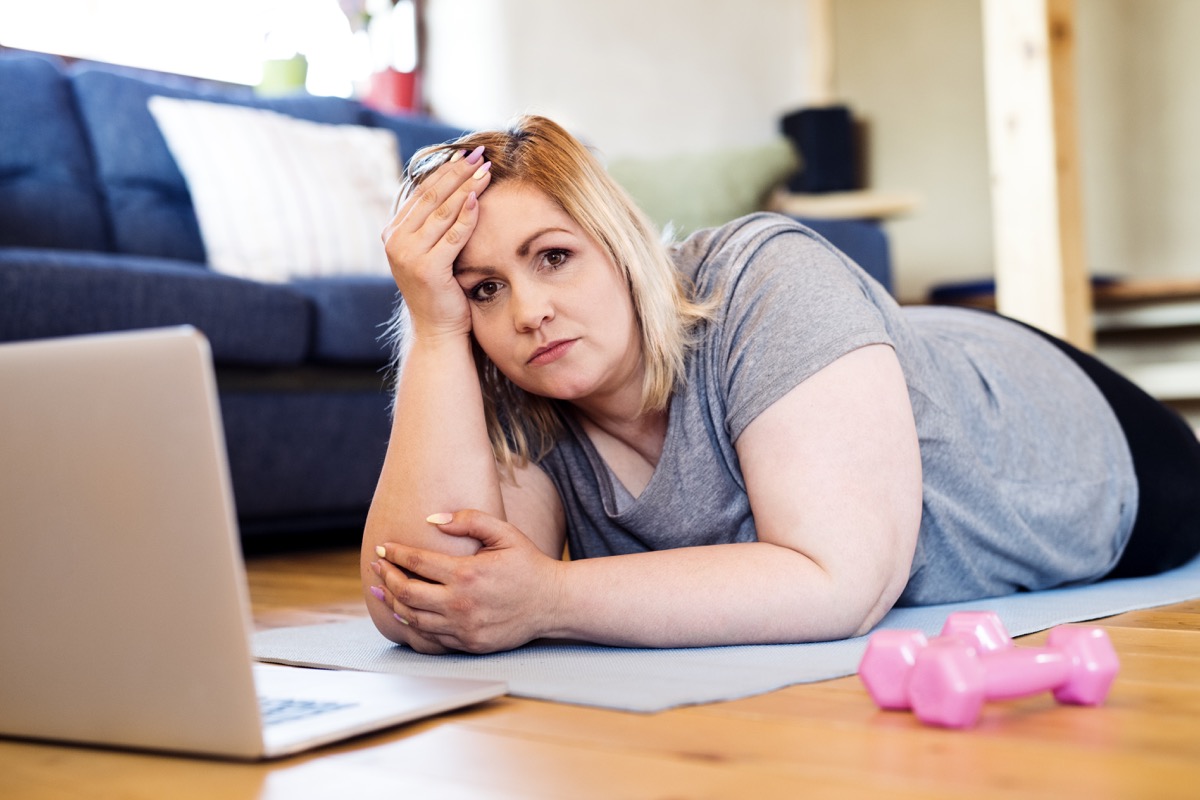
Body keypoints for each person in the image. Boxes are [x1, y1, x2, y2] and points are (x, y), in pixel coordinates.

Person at [362, 115, 1200, 655]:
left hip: (1074, 433)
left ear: (617, 241)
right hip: (882, 363)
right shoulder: (506, 378)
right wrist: (433, 329)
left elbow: (837, 579)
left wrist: (549, 597)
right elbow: (430, 601)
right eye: (482, 289)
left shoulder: (768, 274)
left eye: (553, 257)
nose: (530, 312)